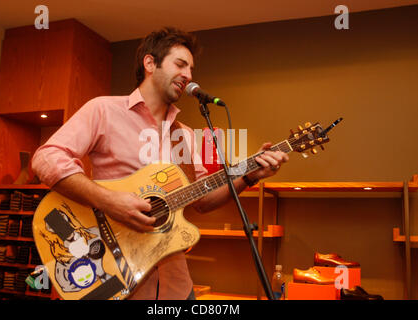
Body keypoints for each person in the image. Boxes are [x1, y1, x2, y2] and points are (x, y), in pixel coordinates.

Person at [32, 26, 289, 300]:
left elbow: (201, 199)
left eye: (191, 69)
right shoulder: (104, 110)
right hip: (113, 271)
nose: (189, 75)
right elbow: (47, 158)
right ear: (150, 63)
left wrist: (249, 176)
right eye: (180, 64)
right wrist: (109, 201)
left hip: (175, 283)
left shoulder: (185, 135)